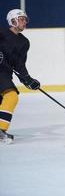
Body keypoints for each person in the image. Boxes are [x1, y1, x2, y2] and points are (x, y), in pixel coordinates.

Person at [0, 9, 40, 144]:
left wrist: (28, 80)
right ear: (13, 21)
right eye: (21, 19)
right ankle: (1, 130)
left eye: (25, 19)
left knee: (4, 101)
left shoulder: (24, 42)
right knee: (11, 96)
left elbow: (19, 65)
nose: (25, 22)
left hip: (4, 73)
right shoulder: (1, 33)